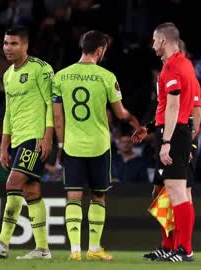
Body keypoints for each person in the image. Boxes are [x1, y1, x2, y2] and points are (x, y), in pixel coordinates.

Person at [52, 30, 146, 261]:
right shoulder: (106, 76)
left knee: (73, 196)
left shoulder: (60, 77)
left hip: (72, 145)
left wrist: (61, 145)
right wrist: (137, 124)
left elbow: (57, 118)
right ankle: (94, 248)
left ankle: (74, 251)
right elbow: (121, 113)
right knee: (98, 197)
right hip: (99, 146)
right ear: (100, 50)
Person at [0, 25, 54, 260]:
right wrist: (3, 147)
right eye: (5, 43)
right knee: (31, 190)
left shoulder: (41, 69)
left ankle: (3, 242)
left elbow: (51, 105)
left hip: (35, 137)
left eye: (14, 43)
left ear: (25, 45)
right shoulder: (8, 75)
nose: (8, 48)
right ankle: (42, 249)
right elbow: (9, 114)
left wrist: (48, 137)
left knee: (13, 183)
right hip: (17, 140)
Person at [143, 38, 201, 262]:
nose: (153, 46)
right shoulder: (169, 71)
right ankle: (168, 244)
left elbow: (194, 113)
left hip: (179, 137)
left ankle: (183, 247)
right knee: (161, 193)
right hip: (167, 133)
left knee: (180, 192)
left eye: (155, 41)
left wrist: (191, 145)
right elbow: (164, 107)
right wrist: (149, 128)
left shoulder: (183, 71)